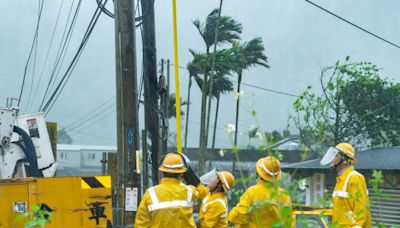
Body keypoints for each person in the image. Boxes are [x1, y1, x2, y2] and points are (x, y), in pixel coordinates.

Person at [134, 152, 208, 228]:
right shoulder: (189, 191)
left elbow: (141, 224)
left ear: (163, 172)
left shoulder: (150, 193)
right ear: (182, 173)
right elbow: (208, 196)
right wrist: (195, 181)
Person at [228, 156, 293, 227]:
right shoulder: (285, 195)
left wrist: (231, 215)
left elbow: (238, 216)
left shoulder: (252, 192)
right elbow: (289, 223)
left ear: (259, 174)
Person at [320, 143, 372, 227]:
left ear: (344, 159)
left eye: (336, 156)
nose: (332, 159)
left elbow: (361, 213)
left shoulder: (355, 178)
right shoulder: (341, 180)